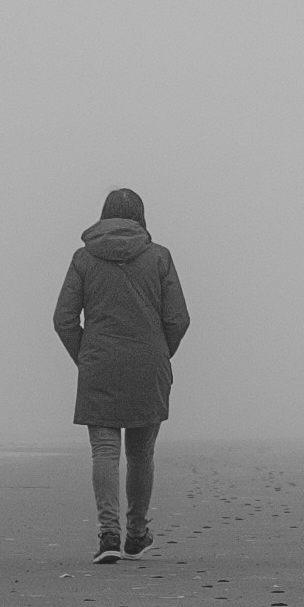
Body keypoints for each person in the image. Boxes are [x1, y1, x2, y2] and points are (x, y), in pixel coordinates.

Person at [51, 185, 190, 563]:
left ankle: (109, 535)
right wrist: (159, 353)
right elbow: (179, 318)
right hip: (148, 366)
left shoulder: (83, 259)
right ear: (141, 217)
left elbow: (63, 319)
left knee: (105, 451)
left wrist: (88, 357)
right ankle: (137, 533)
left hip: (100, 366)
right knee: (142, 455)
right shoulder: (159, 258)